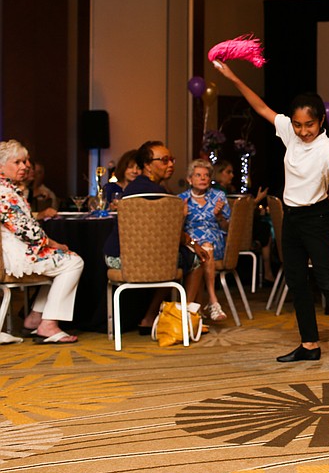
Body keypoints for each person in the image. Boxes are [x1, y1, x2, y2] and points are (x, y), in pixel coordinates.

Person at [214, 60, 329, 375]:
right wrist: (232, 77)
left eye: (309, 125)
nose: (303, 131)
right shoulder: (289, 133)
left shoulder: (325, 146)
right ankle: (309, 345)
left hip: (316, 218)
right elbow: (260, 107)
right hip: (292, 219)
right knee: (297, 282)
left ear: (321, 121)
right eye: (298, 125)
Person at [103, 141, 209, 333]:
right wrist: (191, 237)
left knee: (171, 260)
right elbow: (170, 235)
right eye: (164, 160)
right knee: (194, 260)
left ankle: (151, 317)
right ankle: (182, 318)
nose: (171, 164)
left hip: (117, 257)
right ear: (147, 165)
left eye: (172, 160)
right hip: (132, 259)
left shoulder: (133, 188)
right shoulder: (162, 195)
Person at [0, 140, 84, 344]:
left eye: (25, 161)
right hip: (15, 255)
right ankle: (48, 324)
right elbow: (27, 231)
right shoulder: (4, 192)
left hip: (16, 249)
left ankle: (35, 318)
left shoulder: (9, 188)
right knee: (74, 262)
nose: (25, 166)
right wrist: (54, 244)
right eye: (17, 162)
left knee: (63, 263)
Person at [178, 159, 231, 322]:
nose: (203, 178)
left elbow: (228, 228)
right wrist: (183, 216)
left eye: (206, 175)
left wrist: (219, 215)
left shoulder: (218, 196)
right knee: (201, 251)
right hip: (191, 243)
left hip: (215, 240)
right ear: (189, 179)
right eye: (198, 175)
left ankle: (208, 302)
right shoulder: (181, 199)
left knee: (206, 246)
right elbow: (176, 230)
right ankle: (210, 303)